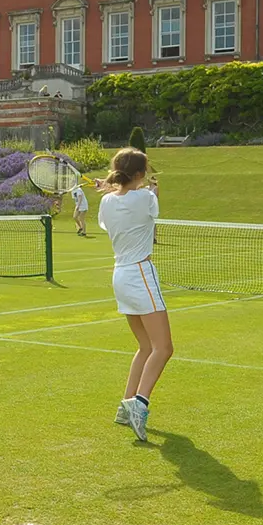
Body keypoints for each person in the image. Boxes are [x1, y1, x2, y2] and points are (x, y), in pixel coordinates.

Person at [97, 148, 172, 443]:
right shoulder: (146, 198)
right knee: (163, 348)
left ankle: (125, 404)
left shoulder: (106, 202)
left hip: (121, 276)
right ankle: (139, 404)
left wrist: (112, 189)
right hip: (140, 274)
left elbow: (117, 203)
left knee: (145, 346)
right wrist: (151, 190)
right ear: (140, 174)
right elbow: (149, 206)